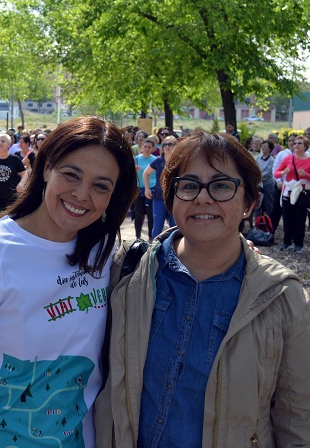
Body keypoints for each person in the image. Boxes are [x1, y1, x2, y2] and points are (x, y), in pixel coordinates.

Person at [94, 129, 310, 448]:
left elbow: (298, 421)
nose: (203, 197)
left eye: (222, 185)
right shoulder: (127, 271)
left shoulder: (282, 298)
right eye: (189, 186)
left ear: (250, 202)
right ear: (171, 198)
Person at [0, 117, 138, 448]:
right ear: (46, 169)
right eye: (71, 175)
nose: (82, 195)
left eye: (101, 185)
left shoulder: (107, 254)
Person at [274, 135, 310, 252]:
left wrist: (306, 175)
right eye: (295, 143)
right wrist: (284, 172)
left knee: (300, 217)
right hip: (288, 191)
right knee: (287, 216)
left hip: (303, 191)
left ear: (305, 146)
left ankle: (298, 243)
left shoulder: (309, 159)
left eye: (299, 143)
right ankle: (286, 242)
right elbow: (276, 173)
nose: (296, 145)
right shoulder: (288, 159)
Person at [0, 133, 27, 217]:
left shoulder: (15, 159)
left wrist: (21, 184)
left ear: (8, 145)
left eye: (3, 141)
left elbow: (24, 173)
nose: (0, 143)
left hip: (11, 197)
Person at [143, 136, 177, 238]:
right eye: (165, 144)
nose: (167, 147)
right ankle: (153, 250)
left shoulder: (179, 161)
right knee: (157, 227)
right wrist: (147, 188)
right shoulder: (158, 160)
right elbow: (146, 173)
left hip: (175, 199)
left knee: (175, 227)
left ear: (176, 146)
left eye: (170, 144)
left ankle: (174, 250)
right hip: (159, 199)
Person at [134, 137, 157, 241]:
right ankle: (137, 236)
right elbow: (127, 175)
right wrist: (133, 170)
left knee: (150, 214)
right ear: (142, 147)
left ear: (153, 148)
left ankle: (150, 237)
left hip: (151, 189)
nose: (147, 149)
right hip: (138, 189)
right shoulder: (136, 159)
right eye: (145, 146)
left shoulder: (155, 160)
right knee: (138, 214)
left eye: (149, 147)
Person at [255, 140, 275, 217]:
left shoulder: (272, 160)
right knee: (258, 203)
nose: (263, 148)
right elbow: (255, 167)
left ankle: (270, 221)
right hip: (258, 184)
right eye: (262, 146)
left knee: (268, 203)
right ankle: (257, 222)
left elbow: (267, 173)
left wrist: (257, 177)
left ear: (269, 149)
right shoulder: (258, 158)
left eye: (265, 146)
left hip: (267, 184)